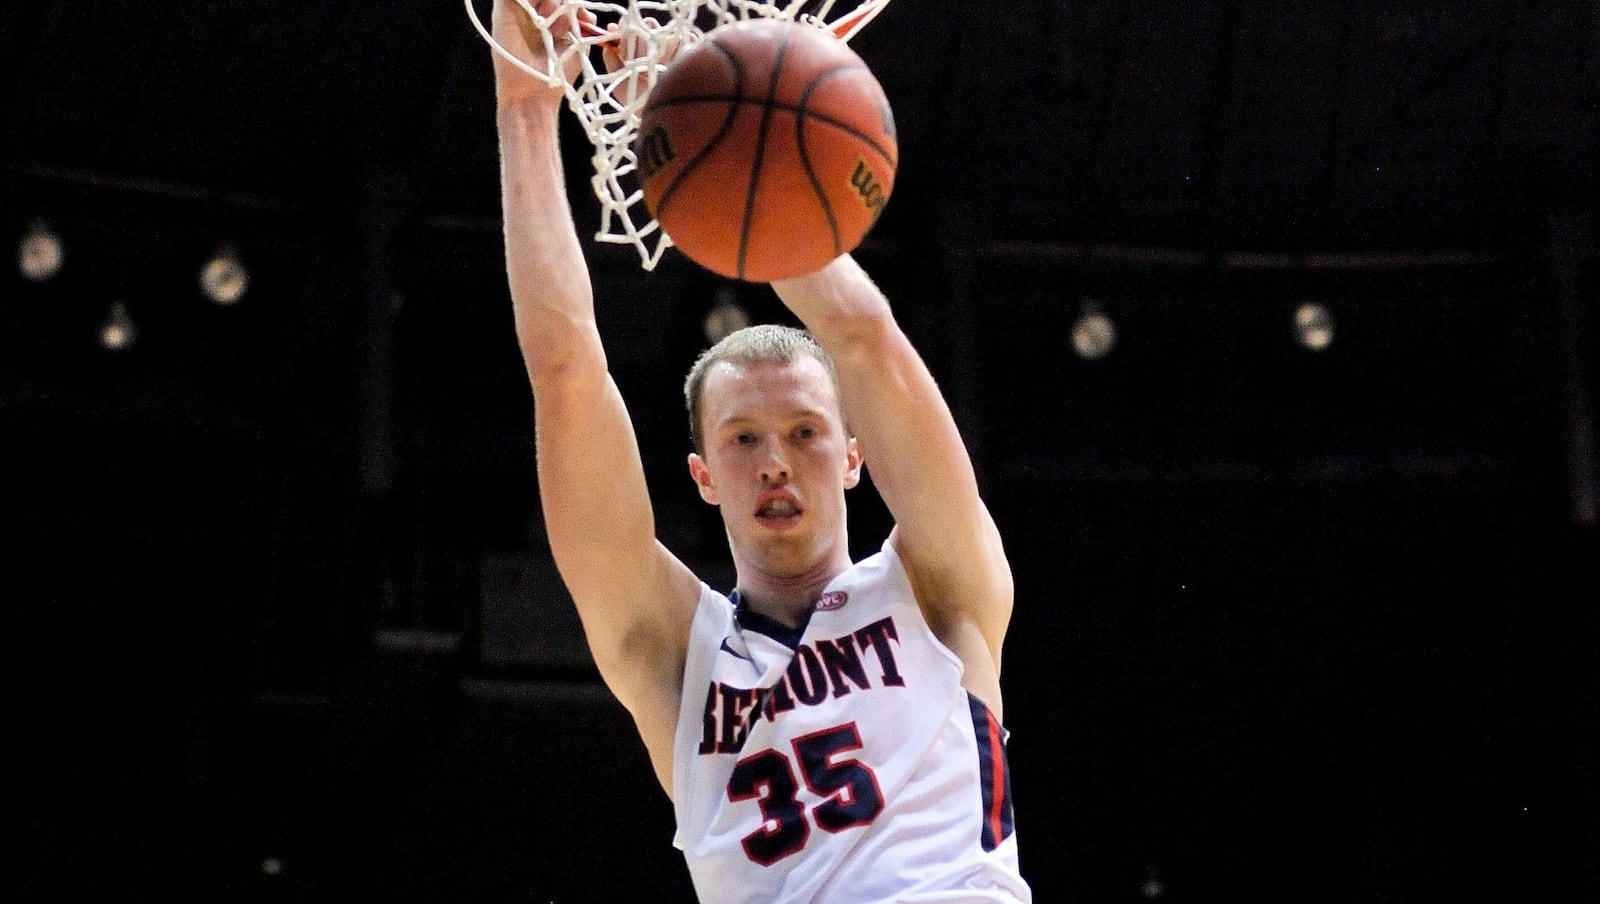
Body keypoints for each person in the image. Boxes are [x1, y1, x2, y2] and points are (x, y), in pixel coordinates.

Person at [489, 2, 1030, 901]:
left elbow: (863, 335)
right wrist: (523, 106)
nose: (777, 460)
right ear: (701, 475)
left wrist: (748, 148)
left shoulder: (939, 581)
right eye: (744, 439)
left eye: (806, 433)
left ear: (855, 455)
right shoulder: (672, 650)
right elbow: (566, 371)